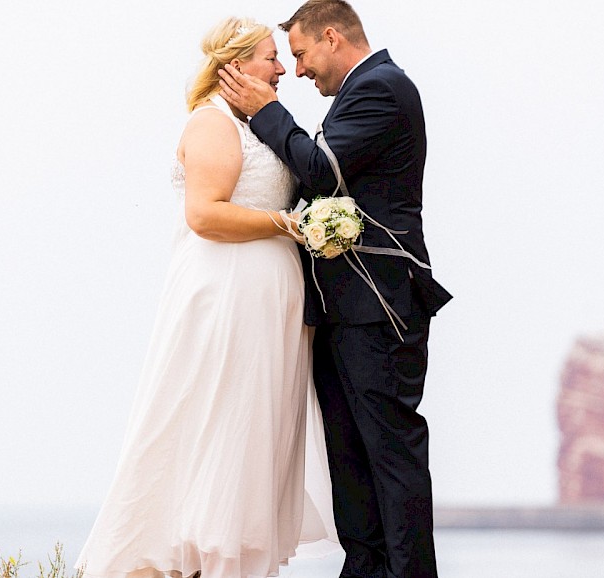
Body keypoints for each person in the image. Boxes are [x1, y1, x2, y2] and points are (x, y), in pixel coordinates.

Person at [74, 16, 338, 578]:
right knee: (219, 419)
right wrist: (293, 225)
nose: (281, 70)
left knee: (251, 430)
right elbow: (206, 214)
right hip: (230, 296)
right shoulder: (213, 123)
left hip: (267, 300)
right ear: (237, 65)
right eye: (271, 57)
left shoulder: (253, 125)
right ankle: (196, 557)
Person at [218, 1, 452, 577]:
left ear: (330, 37)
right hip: (341, 310)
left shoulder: (382, 88)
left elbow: (321, 171)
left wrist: (269, 112)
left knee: (390, 454)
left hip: (380, 310)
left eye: (299, 54)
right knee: (348, 458)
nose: (296, 71)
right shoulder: (358, 92)